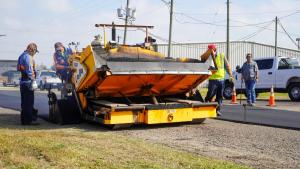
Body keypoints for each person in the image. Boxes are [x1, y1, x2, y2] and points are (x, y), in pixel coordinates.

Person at [204, 44, 234, 116]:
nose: (210, 52)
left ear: (214, 50)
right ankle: (206, 103)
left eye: (211, 50)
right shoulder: (208, 57)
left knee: (220, 96)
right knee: (211, 93)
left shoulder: (221, 56)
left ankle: (217, 110)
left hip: (221, 79)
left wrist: (230, 75)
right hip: (213, 79)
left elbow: (227, 66)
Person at [17, 43, 39, 125]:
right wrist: (33, 80)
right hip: (28, 82)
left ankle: (24, 120)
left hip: (23, 81)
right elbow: (29, 70)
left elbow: (19, 68)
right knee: (29, 103)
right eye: (34, 51)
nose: (34, 53)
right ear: (31, 50)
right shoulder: (28, 57)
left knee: (24, 103)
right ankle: (28, 121)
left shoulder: (21, 55)